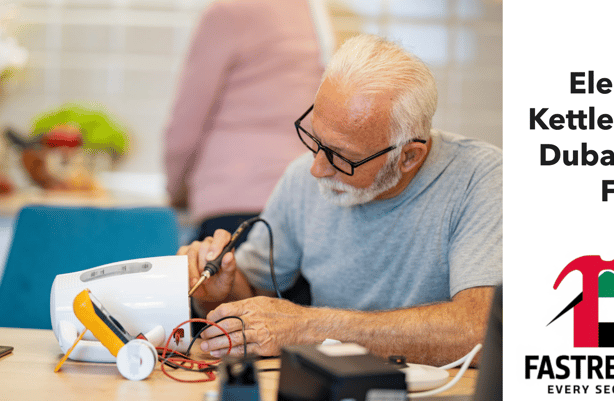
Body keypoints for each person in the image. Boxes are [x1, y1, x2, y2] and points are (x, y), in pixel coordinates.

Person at [179, 34, 502, 366]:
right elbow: (254, 298)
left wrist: (313, 327)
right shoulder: (301, 177)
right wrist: (220, 293)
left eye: (342, 157)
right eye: (316, 139)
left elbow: (480, 331)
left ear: (408, 157)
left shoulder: (481, 178)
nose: (317, 169)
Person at [164, 0, 327, 247]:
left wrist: (175, 190)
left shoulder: (226, 12)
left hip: (231, 202)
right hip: (298, 202)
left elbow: (186, 124)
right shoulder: (309, 13)